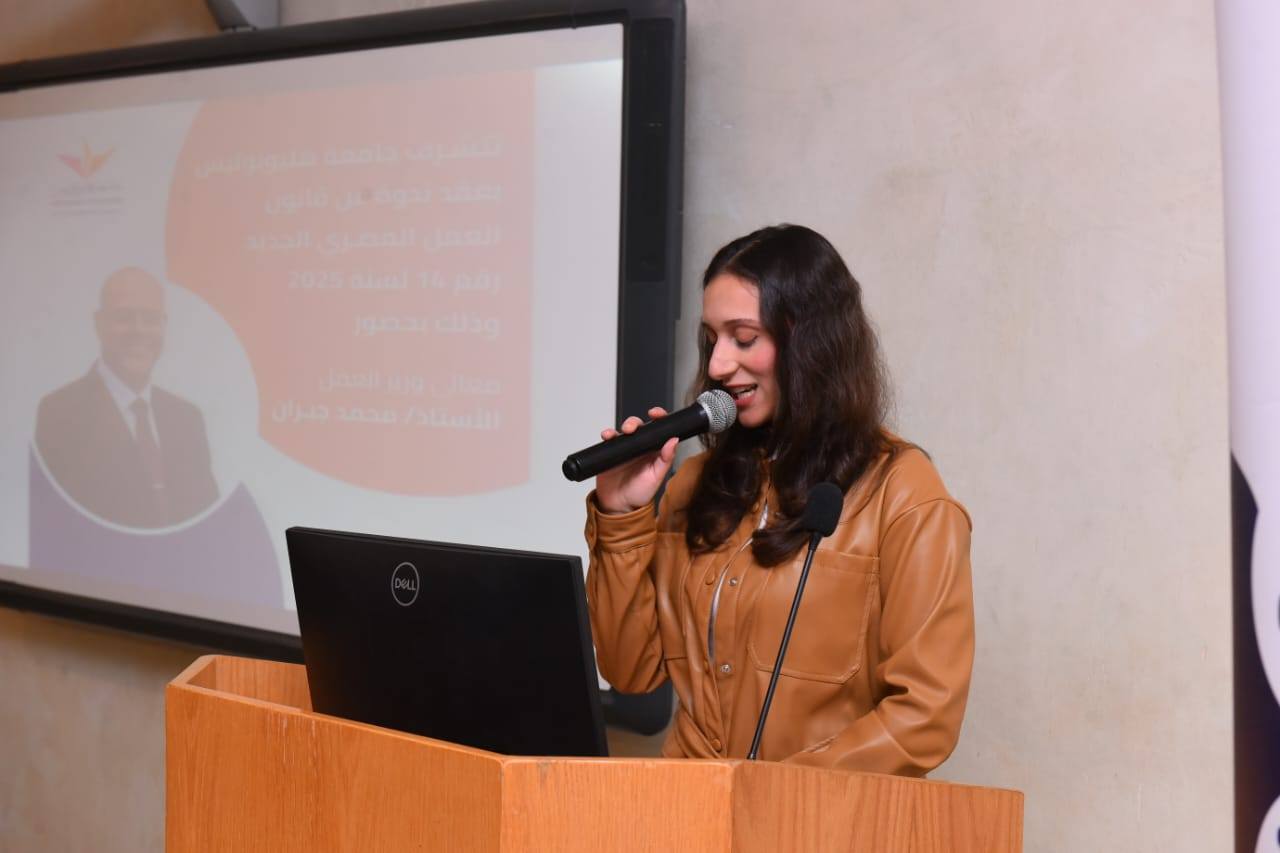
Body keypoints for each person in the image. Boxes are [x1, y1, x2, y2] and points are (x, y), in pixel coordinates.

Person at [584, 225, 974, 776]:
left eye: (743, 339)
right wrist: (622, 515)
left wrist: (776, 799)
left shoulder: (905, 494)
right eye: (712, 339)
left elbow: (925, 715)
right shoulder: (695, 484)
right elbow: (630, 671)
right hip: (683, 809)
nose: (717, 366)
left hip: (812, 817)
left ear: (811, 342)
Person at [35, 267, 218, 529]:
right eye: (124, 317)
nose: (138, 330)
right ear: (99, 324)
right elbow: (59, 524)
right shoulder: (61, 414)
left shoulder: (187, 418)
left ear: (163, 326)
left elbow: (207, 520)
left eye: (150, 319)